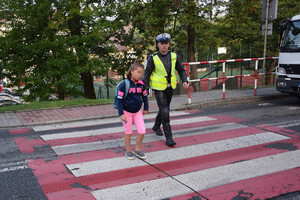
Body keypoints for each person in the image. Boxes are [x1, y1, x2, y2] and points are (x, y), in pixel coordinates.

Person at [144, 33, 189, 147]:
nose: (164, 45)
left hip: (170, 87)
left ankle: (156, 126)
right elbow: (147, 74)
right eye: (162, 43)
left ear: (168, 44)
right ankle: (169, 137)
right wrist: (145, 88)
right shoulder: (152, 58)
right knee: (165, 110)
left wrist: (185, 80)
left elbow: (181, 69)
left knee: (165, 108)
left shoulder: (174, 56)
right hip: (158, 88)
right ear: (158, 45)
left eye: (166, 43)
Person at [117, 62, 149, 160]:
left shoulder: (141, 84)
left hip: (137, 112)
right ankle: (128, 151)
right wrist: (121, 114)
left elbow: (145, 96)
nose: (140, 75)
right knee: (128, 132)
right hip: (126, 112)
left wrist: (146, 108)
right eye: (138, 72)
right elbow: (119, 100)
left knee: (142, 131)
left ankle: (137, 149)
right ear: (132, 72)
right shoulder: (124, 84)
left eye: (142, 73)